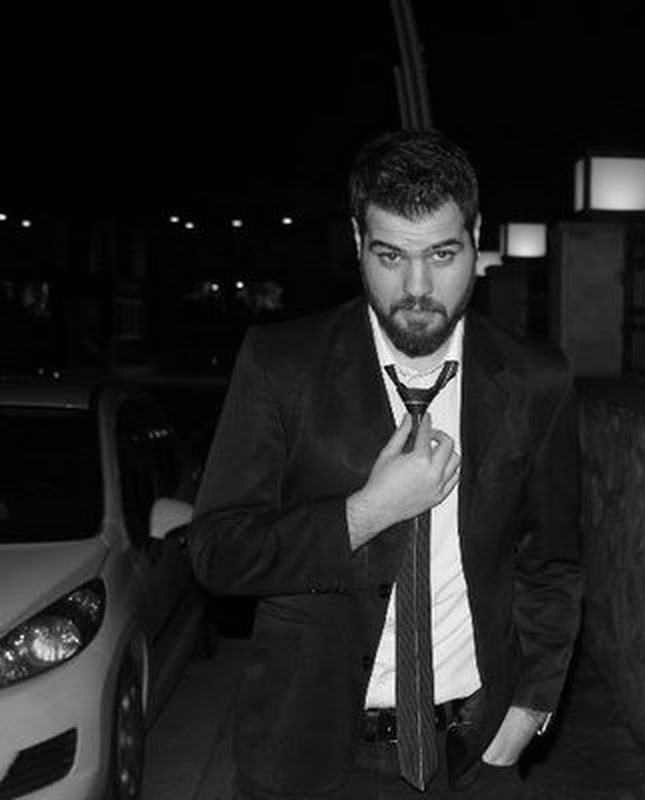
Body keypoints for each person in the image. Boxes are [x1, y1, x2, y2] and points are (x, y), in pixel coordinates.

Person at [187, 129, 584, 800]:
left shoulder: (535, 381)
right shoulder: (282, 366)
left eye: (442, 254)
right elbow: (218, 553)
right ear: (357, 241)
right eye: (391, 256)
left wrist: (527, 714)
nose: (417, 288)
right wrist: (366, 513)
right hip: (310, 758)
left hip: (476, 758)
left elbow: (551, 563)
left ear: (475, 239)